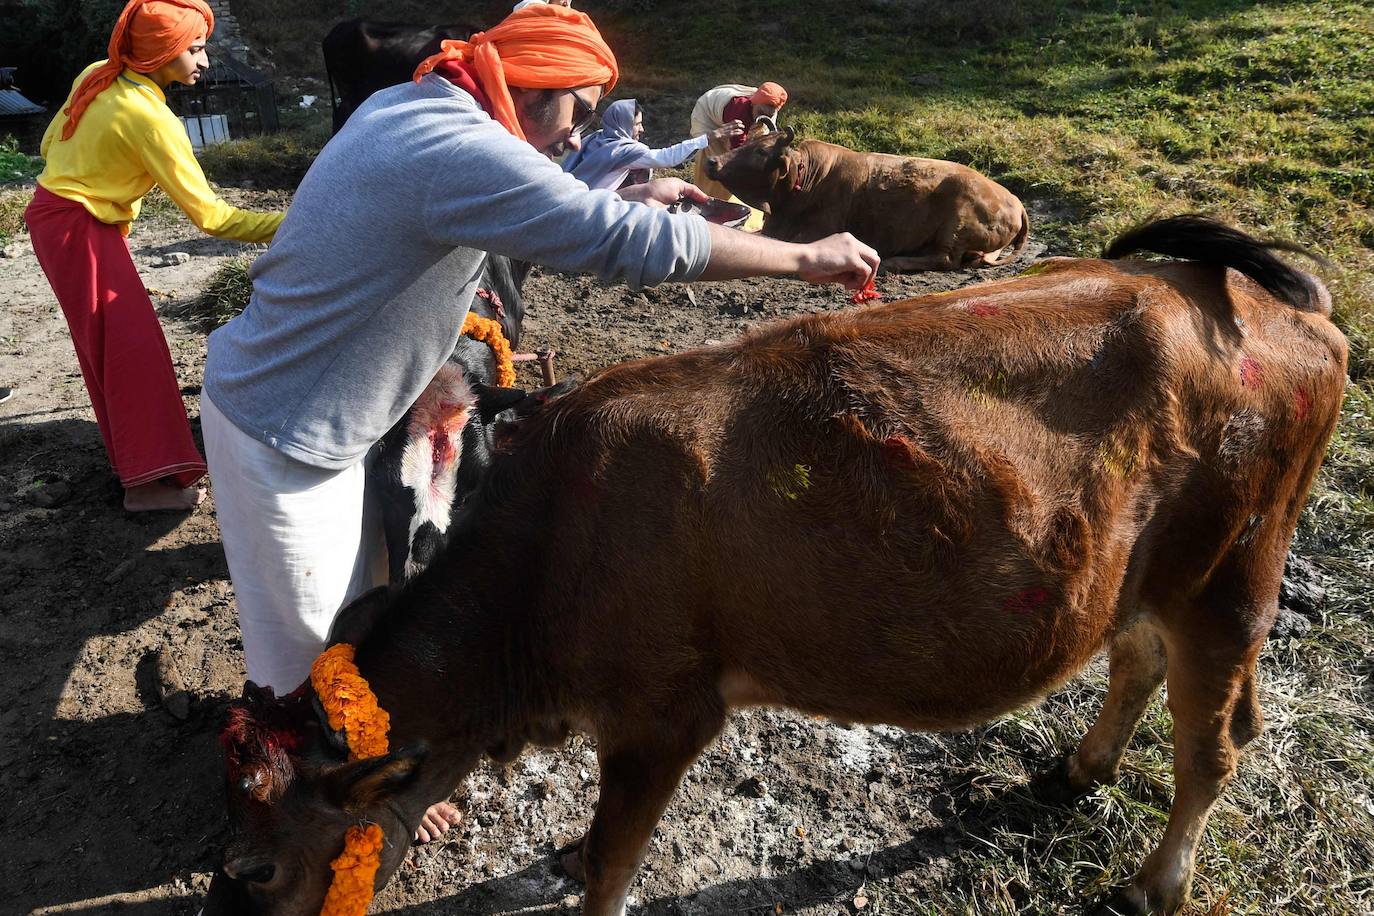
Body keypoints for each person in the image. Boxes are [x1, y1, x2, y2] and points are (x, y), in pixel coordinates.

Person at [199, 3, 874, 842]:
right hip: (283, 434)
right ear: (533, 90)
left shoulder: (421, 103)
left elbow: (522, 203)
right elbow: (616, 245)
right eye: (581, 113)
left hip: (323, 415)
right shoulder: (452, 147)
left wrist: (638, 187)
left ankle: (364, 772)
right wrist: (803, 258)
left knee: (365, 617)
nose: (575, 135)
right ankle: (288, 837)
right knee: (302, 664)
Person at [25, 0, 284, 513]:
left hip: (57, 217)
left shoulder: (97, 74)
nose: (205, 61)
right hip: (80, 231)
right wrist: (299, 225)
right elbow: (214, 219)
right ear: (164, 51)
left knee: (111, 347)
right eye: (195, 49)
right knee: (130, 352)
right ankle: (145, 487)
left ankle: (144, 471)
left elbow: (51, 144)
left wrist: (96, 180)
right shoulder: (152, 120)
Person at [562, 98, 739, 191]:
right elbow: (666, 158)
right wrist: (709, 137)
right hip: (590, 209)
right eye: (637, 125)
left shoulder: (597, 137)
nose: (643, 129)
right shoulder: (625, 151)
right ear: (623, 124)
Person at [689, 81, 787, 201]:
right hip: (708, 117)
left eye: (769, 115)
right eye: (761, 113)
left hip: (733, 120)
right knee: (718, 161)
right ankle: (706, 198)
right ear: (753, 104)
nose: (763, 118)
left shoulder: (768, 110)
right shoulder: (739, 111)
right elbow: (737, 151)